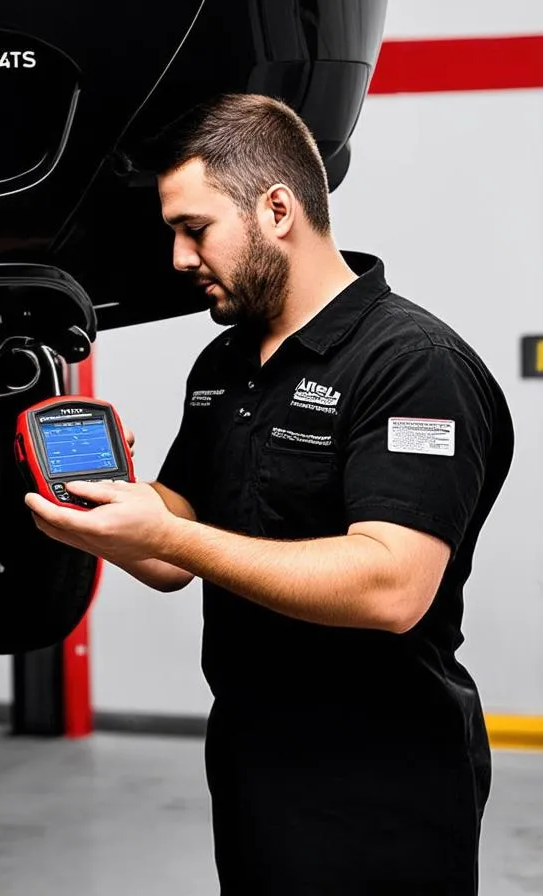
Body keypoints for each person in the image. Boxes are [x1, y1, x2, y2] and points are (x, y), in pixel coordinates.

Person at [25, 93, 514, 895]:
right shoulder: (224, 366)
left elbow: (392, 586)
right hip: (253, 759)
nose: (180, 259)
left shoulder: (412, 365)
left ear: (277, 209)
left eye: (195, 228)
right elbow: (175, 543)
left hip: (385, 776)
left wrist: (171, 536)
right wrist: (106, 513)